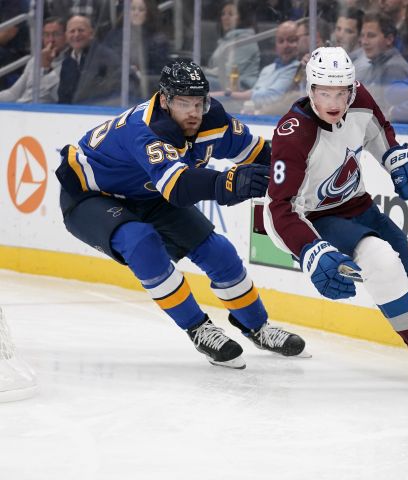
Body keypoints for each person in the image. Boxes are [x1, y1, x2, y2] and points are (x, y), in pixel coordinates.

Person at [55, 58, 307, 369]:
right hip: (89, 196)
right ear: (164, 100)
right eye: (184, 103)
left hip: (149, 192)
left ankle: (258, 327)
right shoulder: (145, 129)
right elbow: (177, 188)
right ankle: (198, 328)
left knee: (219, 252)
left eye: (199, 102)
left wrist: (303, 174)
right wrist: (228, 181)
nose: (193, 112)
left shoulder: (214, 121)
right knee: (140, 241)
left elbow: (263, 155)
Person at [263, 46, 408, 393]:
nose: (334, 101)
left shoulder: (360, 100)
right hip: (310, 217)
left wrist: (396, 159)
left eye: (341, 92)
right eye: (324, 93)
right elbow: (278, 209)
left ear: (352, 88)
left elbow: (379, 132)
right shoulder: (294, 133)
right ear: (310, 91)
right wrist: (310, 251)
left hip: (356, 204)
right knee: (381, 260)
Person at [222, 20, 300, 114]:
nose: (286, 45)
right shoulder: (268, 69)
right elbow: (255, 96)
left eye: (291, 40)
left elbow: (272, 98)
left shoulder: (298, 68)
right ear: (276, 46)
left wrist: (231, 95)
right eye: (281, 41)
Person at [102, 0, 171, 101]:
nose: (136, 13)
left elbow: (161, 71)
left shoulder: (158, 40)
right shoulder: (114, 36)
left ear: (148, 13)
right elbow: (105, 62)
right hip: (116, 90)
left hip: (147, 93)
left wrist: (140, 74)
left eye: (141, 10)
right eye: (132, 9)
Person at [57, 15, 122, 105]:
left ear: (91, 33)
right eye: (72, 31)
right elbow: (63, 98)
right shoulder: (67, 63)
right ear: (66, 36)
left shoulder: (106, 58)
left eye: (81, 30)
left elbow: (114, 92)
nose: (76, 35)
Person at [0, 17, 67, 104]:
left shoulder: (68, 64)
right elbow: (13, 93)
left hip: (40, 113)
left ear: (66, 37)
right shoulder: (35, 60)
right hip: (20, 109)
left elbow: (38, 93)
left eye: (56, 34)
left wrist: (44, 68)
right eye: (47, 35)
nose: (51, 40)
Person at [356, 12, 408, 111]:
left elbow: (387, 114)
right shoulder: (373, 66)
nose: (364, 42)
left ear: (389, 39)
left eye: (371, 36)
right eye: (362, 35)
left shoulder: (395, 68)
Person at [205, 1, 261, 93]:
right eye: (223, 14)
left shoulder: (247, 41)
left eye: (230, 14)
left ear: (241, 18)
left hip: (241, 86)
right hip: (223, 82)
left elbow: (229, 71)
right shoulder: (225, 40)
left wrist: (203, 71)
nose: (225, 18)